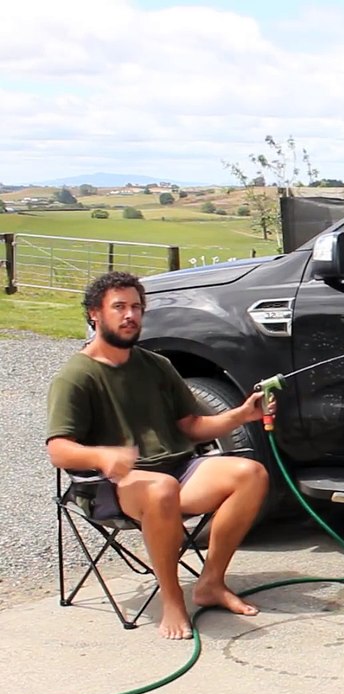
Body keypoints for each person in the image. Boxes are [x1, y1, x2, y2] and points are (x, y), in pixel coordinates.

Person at [45, 271, 273, 640]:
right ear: (94, 315)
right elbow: (58, 449)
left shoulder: (157, 365)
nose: (130, 315)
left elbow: (192, 425)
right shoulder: (76, 375)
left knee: (251, 473)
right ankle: (172, 599)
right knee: (161, 488)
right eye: (119, 307)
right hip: (112, 486)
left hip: (176, 471)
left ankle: (211, 582)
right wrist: (104, 457)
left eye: (136, 307)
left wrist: (240, 416)